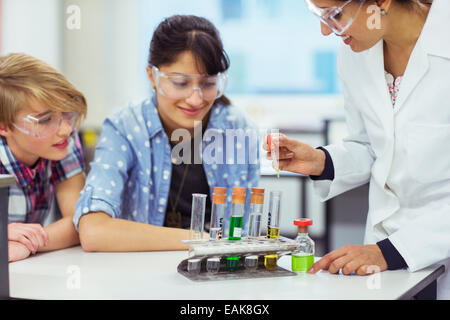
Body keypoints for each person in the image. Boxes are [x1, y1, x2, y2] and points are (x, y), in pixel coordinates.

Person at [265, 0, 450, 298]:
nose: (326, 31)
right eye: (319, 16)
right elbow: (372, 147)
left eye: (335, 15)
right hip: (382, 258)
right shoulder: (356, 54)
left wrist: (390, 252)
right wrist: (320, 161)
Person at [74, 15, 260, 252]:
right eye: (180, 83)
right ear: (152, 76)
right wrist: (200, 240)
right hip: (141, 273)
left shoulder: (237, 128)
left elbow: (244, 232)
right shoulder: (126, 128)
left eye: (208, 84)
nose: (195, 99)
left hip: (218, 271)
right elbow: (94, 231)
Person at [0, 53, 87, 262]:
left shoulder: (61, 143)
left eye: (66, 113)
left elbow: (79, 222)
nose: (66, 129)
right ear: (3, 126)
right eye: (45, 120)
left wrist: (26, 243)